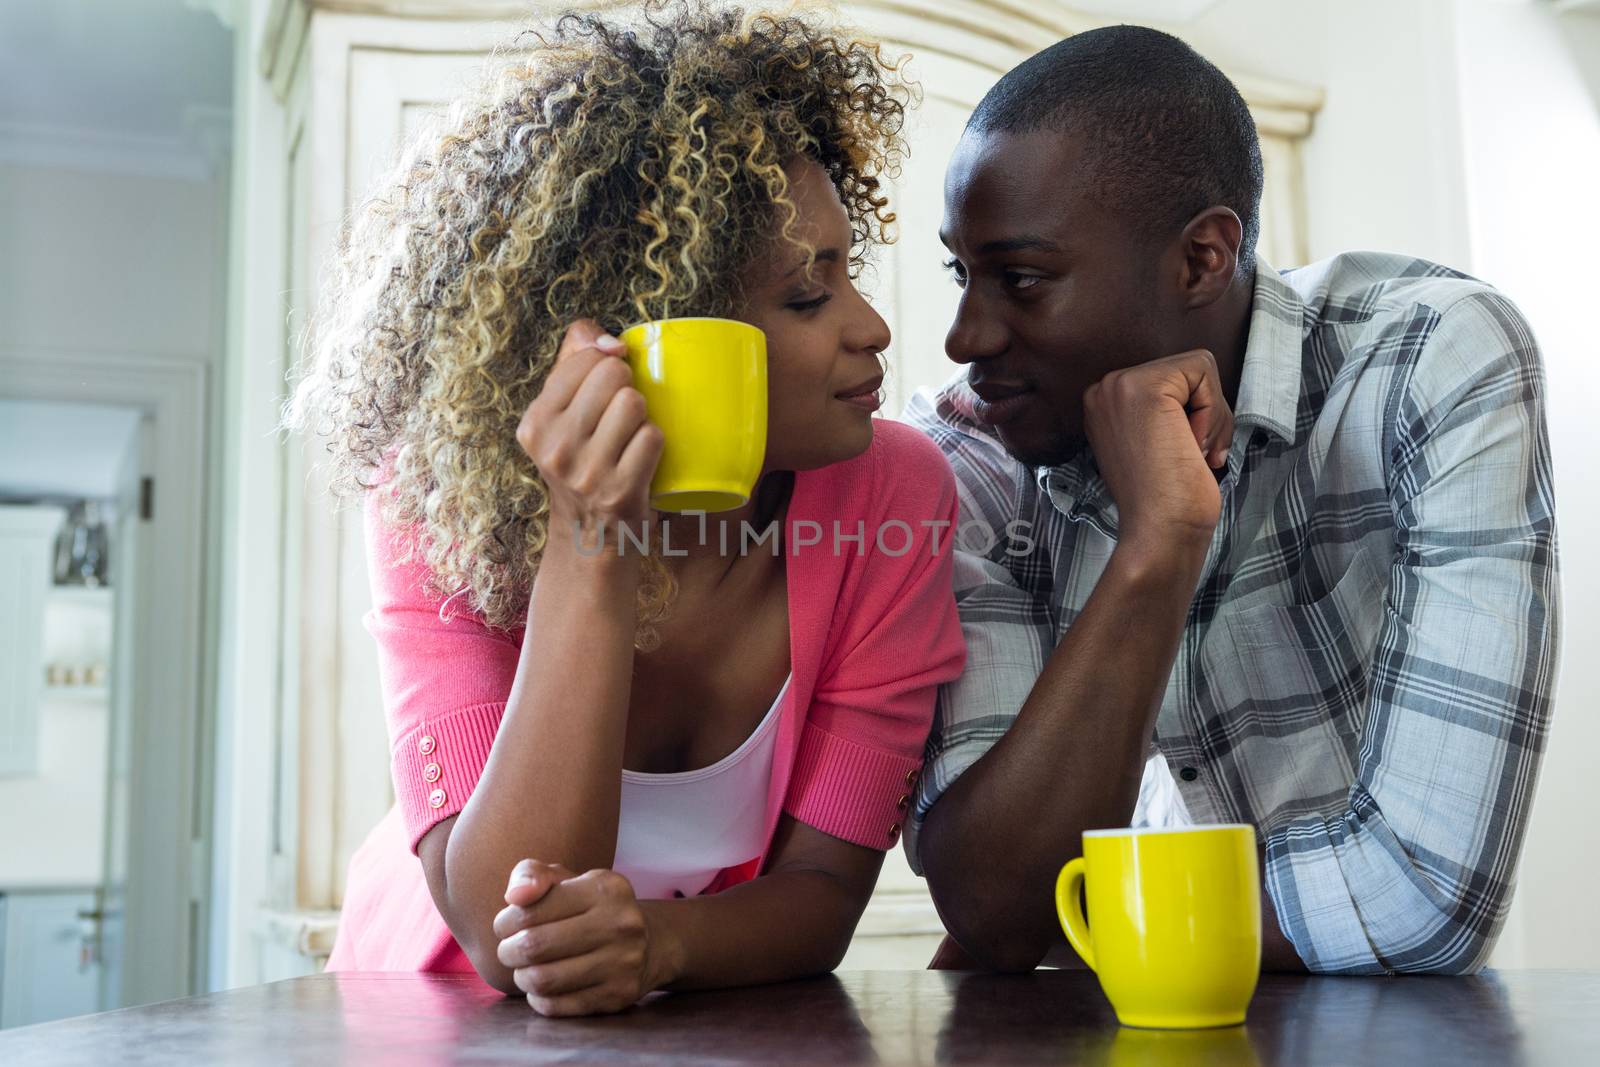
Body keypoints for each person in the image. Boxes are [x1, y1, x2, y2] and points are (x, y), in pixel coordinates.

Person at [283, 2, 965, 1016]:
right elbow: (499, 922)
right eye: (808, 296)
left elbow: (822, 897)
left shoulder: (893, 497)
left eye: (847, 271)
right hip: (430, 1015)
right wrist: (590, 543)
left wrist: (659, 941)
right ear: (660, 331)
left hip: (693, 1018)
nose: (873, 327)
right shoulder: (444, 498)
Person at [903, 24, 1559, 976]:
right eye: (962, 274)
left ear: (1204, 258)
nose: (965, 336)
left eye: (1024, 279)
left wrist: (1090, 916)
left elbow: (1421, 896)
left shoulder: (1432, 361)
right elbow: (999, 906)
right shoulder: (967, 452)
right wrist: (1157, 546)